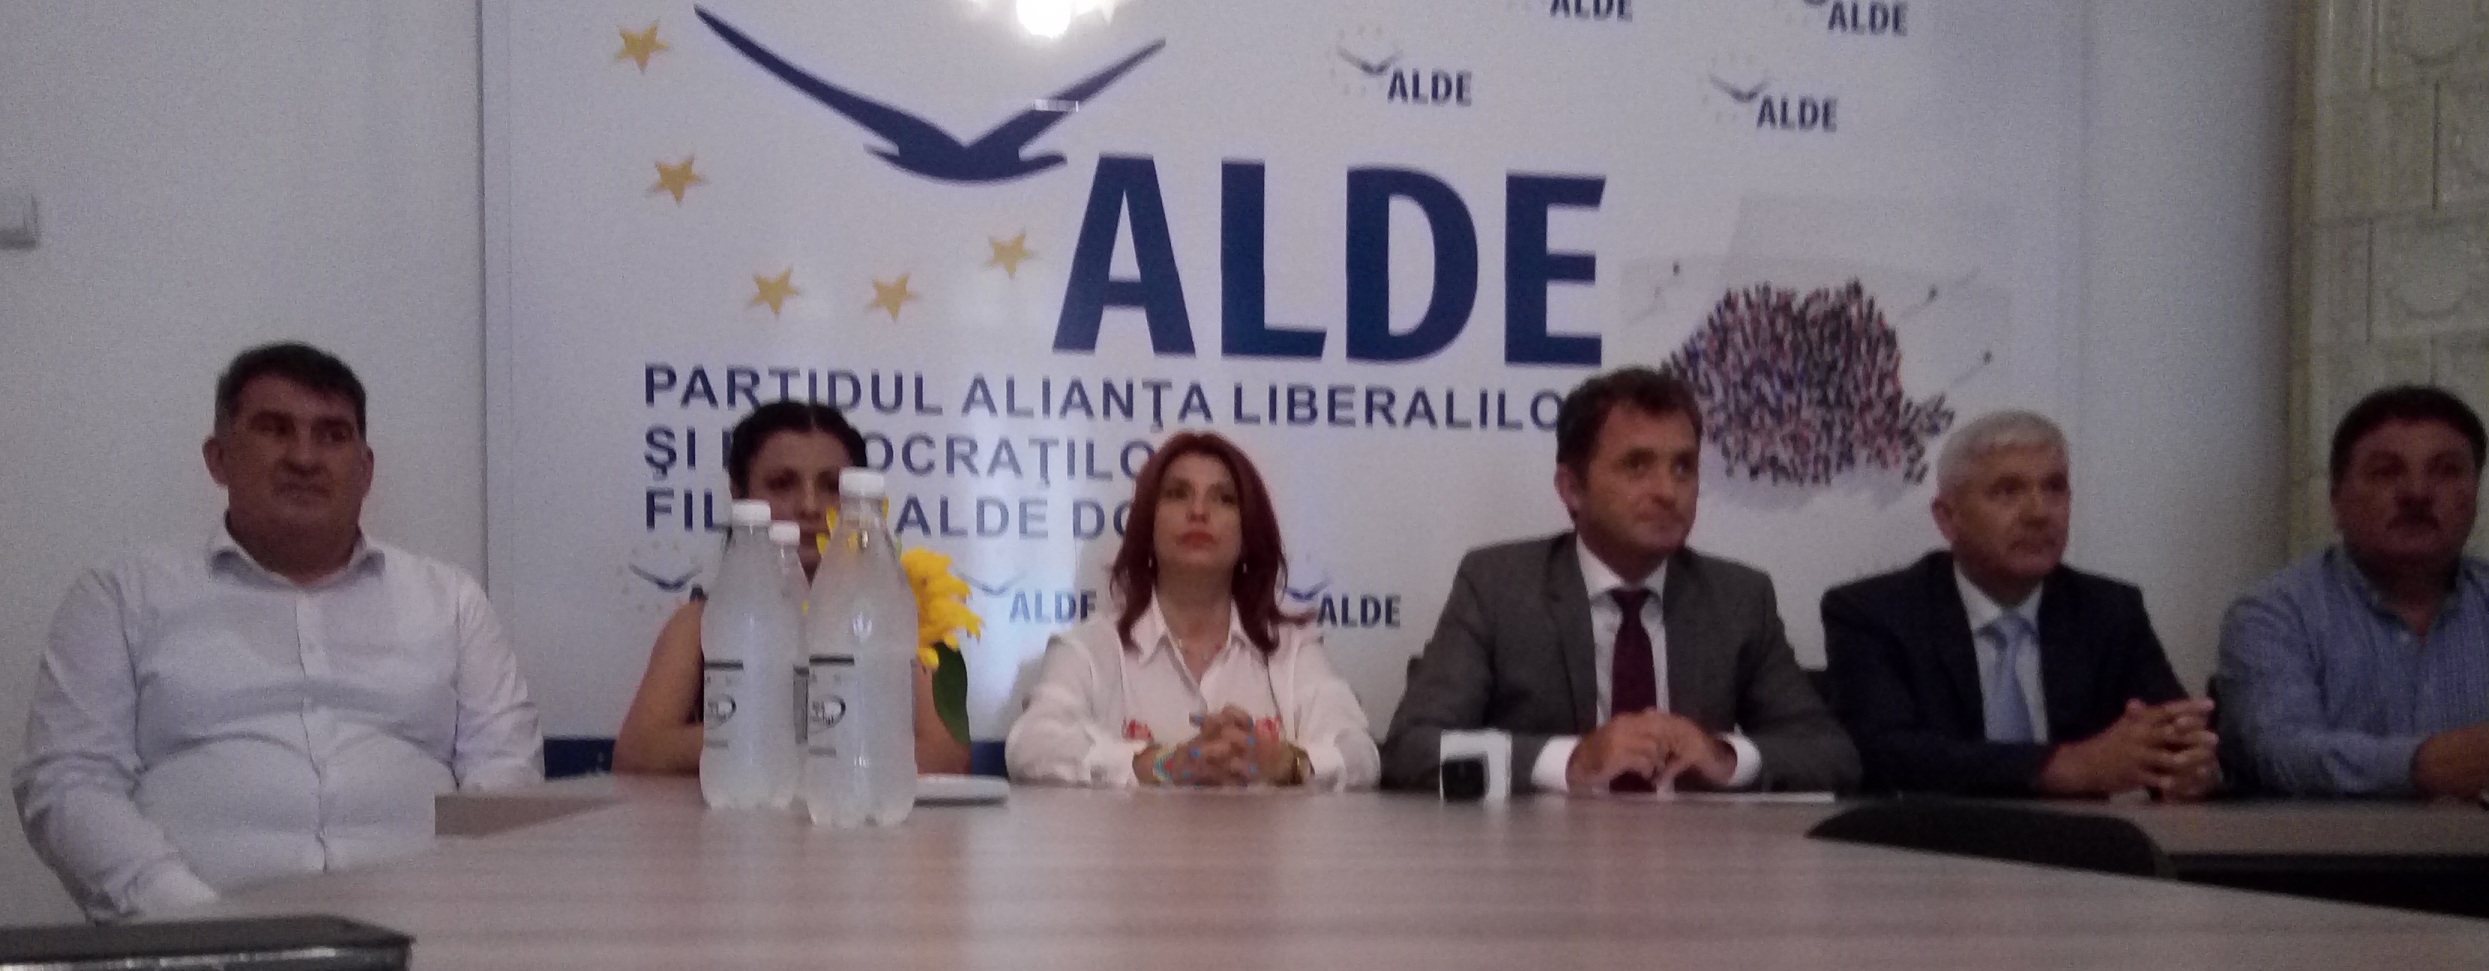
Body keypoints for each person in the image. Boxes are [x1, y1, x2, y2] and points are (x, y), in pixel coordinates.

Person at [13, 343, 543, 922]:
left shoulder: (452, 602)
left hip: (429, 933)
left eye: (333, 435)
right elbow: (69, 782)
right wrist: (196, 921)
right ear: (219, 458)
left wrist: (457, 906)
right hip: (190, 939)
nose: (305, 458)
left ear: (365, 471)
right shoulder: (120, 598)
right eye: (274, 429)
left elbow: (505, 771)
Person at [1380, 367, 1858, 795]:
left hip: (1697, 857)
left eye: (1683, 467)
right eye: (1637, 466)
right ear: (1572, 488)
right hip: (1541, 857)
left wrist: (1725, 757)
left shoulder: (1739, 599)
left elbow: (1830, 752)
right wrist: (1573, 761)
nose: (1668, 491)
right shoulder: (1498, 586)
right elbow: (1410, 748)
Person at [1821, 410, 2218, 798]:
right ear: (1948, 518)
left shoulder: (2109, 610)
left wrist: (2189, 765)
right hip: (1932, 837)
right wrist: (2061, 766)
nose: (2039, 513)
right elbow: (1882, 753)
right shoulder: (1873, 613)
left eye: (2054, 488)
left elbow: (2175, 732)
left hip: (2080, 838)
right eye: (2008, 491)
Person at [613, 401, 971, 775]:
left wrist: (756, 741)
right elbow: (637, 752)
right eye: (782, 484)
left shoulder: (909, 614)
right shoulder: (699, 623)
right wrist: (824, 737)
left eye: (832, 487)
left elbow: (949, 756)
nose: (809, 506)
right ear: (739, 495)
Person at [1006, 431, 1379, 789]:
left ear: (1248, 535)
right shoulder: (1090, 648)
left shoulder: (1293, 650)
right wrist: (1163, 764)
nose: (1199, 511)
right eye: (1177, 494)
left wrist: (1283, 762)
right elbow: (1032, 743)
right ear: (1148, 527)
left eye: (1223, 499)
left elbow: (1359, 753)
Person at [2217, 385, 2489, 798]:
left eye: (2446, 471)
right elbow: (2280, 752)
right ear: (2336, 501)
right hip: (2326, 842)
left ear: (2475, 496)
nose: (2417, 493)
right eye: (2386, 472)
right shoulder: (2274, 613)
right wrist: (2421, 765)